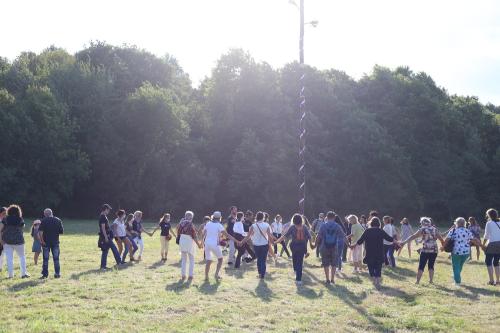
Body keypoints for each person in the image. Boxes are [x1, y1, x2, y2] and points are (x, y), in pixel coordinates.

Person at [352, 217, 394, 288]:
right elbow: (389, 239)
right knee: (378, 267)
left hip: (370, 252)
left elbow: (360, 241)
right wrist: (398, 242)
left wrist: (353, 245)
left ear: (371, 223)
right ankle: (377, 280)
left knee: (370, 266)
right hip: (379, 252)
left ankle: (374, 278)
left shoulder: (367, 231)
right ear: (378, 223)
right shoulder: (380, 231)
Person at [400, 217, 444, 284]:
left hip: (425, 250)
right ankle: (431, 281)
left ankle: (417, 281)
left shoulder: (422, 229)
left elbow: (413, 236)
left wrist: (404, 242)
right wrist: (443, 247)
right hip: (434, 250)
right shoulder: (434, 229)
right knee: (431, 265)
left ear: (422, 223)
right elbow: (441, 239)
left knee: (421, 265)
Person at [274, 214, 314, 285]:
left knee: (294, 259)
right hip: (302, 247)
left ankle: (295, 270)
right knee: (300, 262)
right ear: (301, 220)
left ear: (294, 220)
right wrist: (311, 244)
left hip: (294, 246)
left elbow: (285, 236)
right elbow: (309, 236)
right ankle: (298, 279)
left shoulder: (292, 227)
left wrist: (276, 241)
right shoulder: (304, 227)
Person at [444, 217, 480, 286]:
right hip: (466, 252)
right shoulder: (467, 231)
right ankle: (456, 276)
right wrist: (480, 245)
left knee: (456, 266)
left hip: (456, 251)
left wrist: (443, 247)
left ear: (456, 223)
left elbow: (447, 239)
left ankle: (457, 282)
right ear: (464, 223)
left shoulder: (453, 231)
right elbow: (473, 240)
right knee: (459, 265)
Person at [203, 211, 238, 280]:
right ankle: (216, 275)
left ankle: (206, 276)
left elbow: (203, 233)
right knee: (220, 259)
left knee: (208, 260)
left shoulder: (208, 223)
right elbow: (227, 235)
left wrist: (201, 242)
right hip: (215, 244)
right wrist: (237, 241)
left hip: (206, 243)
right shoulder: (219, 225)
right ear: (219, 218)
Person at [241, 211, 275, 279]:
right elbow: (269, 235)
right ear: (263, 217)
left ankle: (260, 273)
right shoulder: (266, 225)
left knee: (259, 259)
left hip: (256, 245)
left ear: (256, 217)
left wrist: (241, 242)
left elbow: (248, 236)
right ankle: (262, 274)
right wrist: (273, 242)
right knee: (264, 260)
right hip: (265, 244)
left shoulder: (253, 226)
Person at [0, 204, 29, 278]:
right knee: (22, 257)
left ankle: (10, 275)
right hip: (19, 241)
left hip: (7, 241)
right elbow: (23, 227)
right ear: (18, 211)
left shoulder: (5, 219)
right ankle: (23, 274)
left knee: (9, 258)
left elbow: (0, 229)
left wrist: (1, 240)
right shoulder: (20, 219)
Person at [315, 211, 343, 284]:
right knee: (334, 264)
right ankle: (332, 279)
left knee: (326, 263)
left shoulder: (323, 225)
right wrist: (349, 245)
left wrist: (315, 245)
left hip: (324, 247)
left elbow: (318, 236)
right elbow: (343, 236)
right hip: (334, 247)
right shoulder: (337, 226)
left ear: (327, 217)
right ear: (334, 217)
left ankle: (327, 279)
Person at [38, 208, 64, 278]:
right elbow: (61, 232)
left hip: (46, 242)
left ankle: (45, 274)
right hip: (55, 242)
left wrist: (42, 241)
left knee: (45, 259)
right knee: (56, 259)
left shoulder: (43, 221)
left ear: (45, 214)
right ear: (51, 213)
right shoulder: (58, 220)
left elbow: (40, 232)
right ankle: (57, 273)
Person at [177, 211, 202, 280]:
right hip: (189, 241)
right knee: (191, 259)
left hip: (182, 240)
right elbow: (194, 236)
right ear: (191, 217)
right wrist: (198, 244)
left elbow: (178, 231)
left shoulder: (181, 223)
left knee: (184, 260)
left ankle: (183, 275)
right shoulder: (190, 224)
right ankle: (190, 275)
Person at [98, 204, 122, 270]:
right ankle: (119, 262)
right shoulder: (103, 217)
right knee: (114, 248)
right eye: (108, 210)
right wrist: (106, 237)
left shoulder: (103, 216)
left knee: (105, 251)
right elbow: (103, 228)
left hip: (106, 236)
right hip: (106, 237)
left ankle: (103, 266)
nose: (109, 211)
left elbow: (106, 227)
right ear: (105, 209)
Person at [482, 209, 500, 285]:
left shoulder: (489, 223)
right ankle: (498, 281)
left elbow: (486, 235)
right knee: (496, 262)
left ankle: (491, 281)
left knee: (488, 261)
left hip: (492, 243)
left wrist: (483, 244)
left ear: (489, 215)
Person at [0, 207, 6, 272]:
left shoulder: (6, 221)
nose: (5, 215)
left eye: (6, 213)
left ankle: (0, 267)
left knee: (2, 254)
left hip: (3, 240)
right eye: (4, 213)